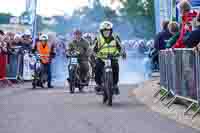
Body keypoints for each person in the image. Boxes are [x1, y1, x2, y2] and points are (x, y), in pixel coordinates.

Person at [93, 21, 126, 95]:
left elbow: (121, 47)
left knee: (116, 67)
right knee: (97, 68)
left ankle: (115, 84)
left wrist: (123, 53)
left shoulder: (115, 37)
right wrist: (94, 54)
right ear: (101, 31)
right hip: (101, 58)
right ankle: (98, 84)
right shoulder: (97, 38)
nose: (106, 32)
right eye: (104, 31)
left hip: (113, 57)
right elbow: (93, 48)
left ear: (111, 30)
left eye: (108, 30)